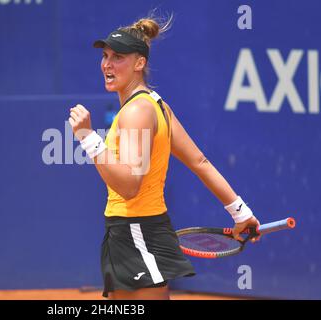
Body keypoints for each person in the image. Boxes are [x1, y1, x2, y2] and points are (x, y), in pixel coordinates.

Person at [68, 15, 261, 300]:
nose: (107, 64)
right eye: (105, 56)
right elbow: (200, 162)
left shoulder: (136, 112)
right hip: (135, 229)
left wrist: (88, 138)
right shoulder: (157, 106)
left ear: (140, 63)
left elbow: (129, 186)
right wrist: (241, 212)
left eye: (118, 57)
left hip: (136, 229)